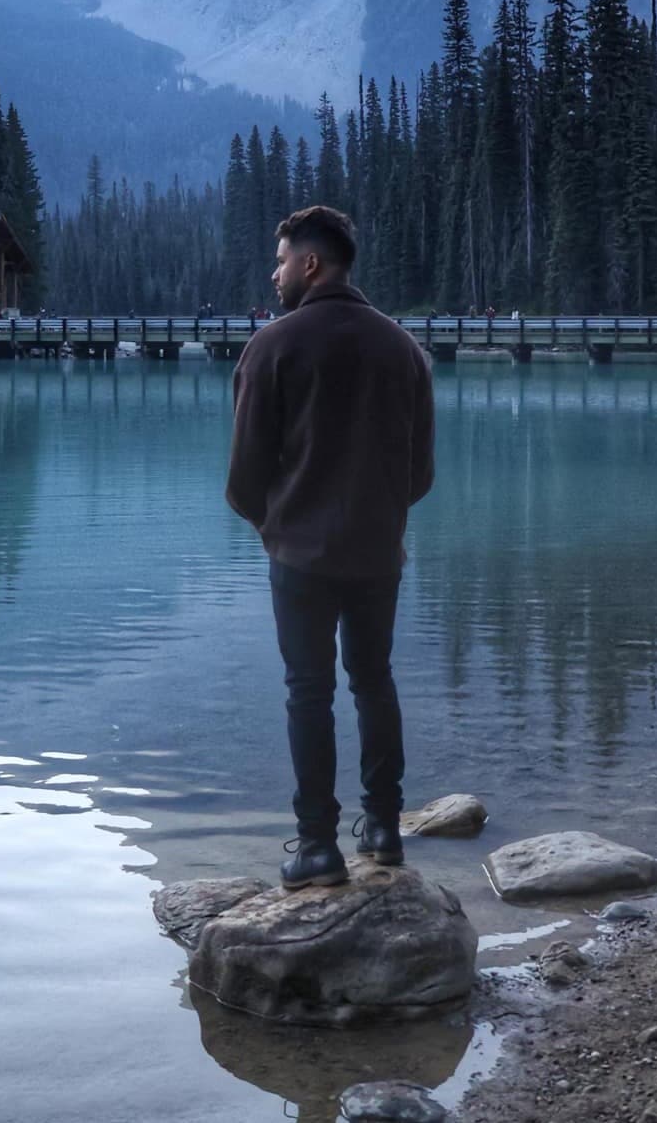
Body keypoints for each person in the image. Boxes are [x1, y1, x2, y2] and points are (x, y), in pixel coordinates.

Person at [226, 205, 435, 890]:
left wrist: (280, 528)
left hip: (300, 558)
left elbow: (243, 479)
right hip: (379, 555)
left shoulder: (273, 345)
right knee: (374, 681)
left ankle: (317, 845)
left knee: (307, 692)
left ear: (311, 264)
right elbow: (421, 474)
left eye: (282, 260)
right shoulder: (403, 348)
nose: (276, 271)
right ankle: (383, 829)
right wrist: (377, 519)